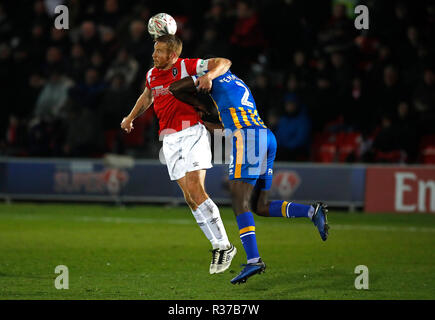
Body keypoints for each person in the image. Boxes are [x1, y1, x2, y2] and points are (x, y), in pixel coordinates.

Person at [169, 66, 329, 285]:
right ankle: (312, 211)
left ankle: (254, 260)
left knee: (238, 199)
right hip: (265, 136)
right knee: (259, 206)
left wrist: (197, 97)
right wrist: (204, 124)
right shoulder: (237, 83)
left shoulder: (212, 77)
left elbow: (175, 88)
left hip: (249, 138)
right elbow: (229, 126)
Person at [120, 35, 236, 274]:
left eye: (159, 51)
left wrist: (208, 76)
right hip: (169, 138)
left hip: (192, 132)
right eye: (154, 50)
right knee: (190, 198)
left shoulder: (186, 65)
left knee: (196, 190)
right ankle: (217, 245)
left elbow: (224, 62)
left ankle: (225, 245)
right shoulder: (152, 74)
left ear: (172, 55)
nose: (154, 55)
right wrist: (131, 117)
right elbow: (148, 96)